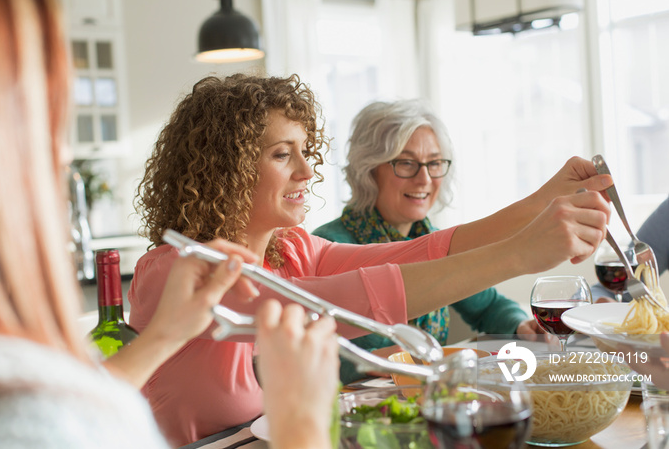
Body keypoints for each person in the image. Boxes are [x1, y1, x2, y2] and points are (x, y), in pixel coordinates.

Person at [130, 72, 613, 444]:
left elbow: (420, 252)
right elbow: (342, 304)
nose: (306, 170)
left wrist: (540, 202)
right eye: (282, 154)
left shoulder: (293, 248)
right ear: (228, 170)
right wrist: (520, 254)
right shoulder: (177, 269)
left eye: (304, 152)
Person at [0, 0, 338, 448]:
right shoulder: (16, 407)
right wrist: (301, 422)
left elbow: (78, 406)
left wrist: (164, 335)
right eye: (39, 117)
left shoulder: (18, 384)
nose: (63, 153)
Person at [312, 99, 543, 384]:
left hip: (429, 401)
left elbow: (488, 305)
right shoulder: (327, 247)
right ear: (369, 170)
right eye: (406, 163)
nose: (424, 178)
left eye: (434, 163)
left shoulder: (436, 241)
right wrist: (375, 359)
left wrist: (520, 326)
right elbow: (309, 354)